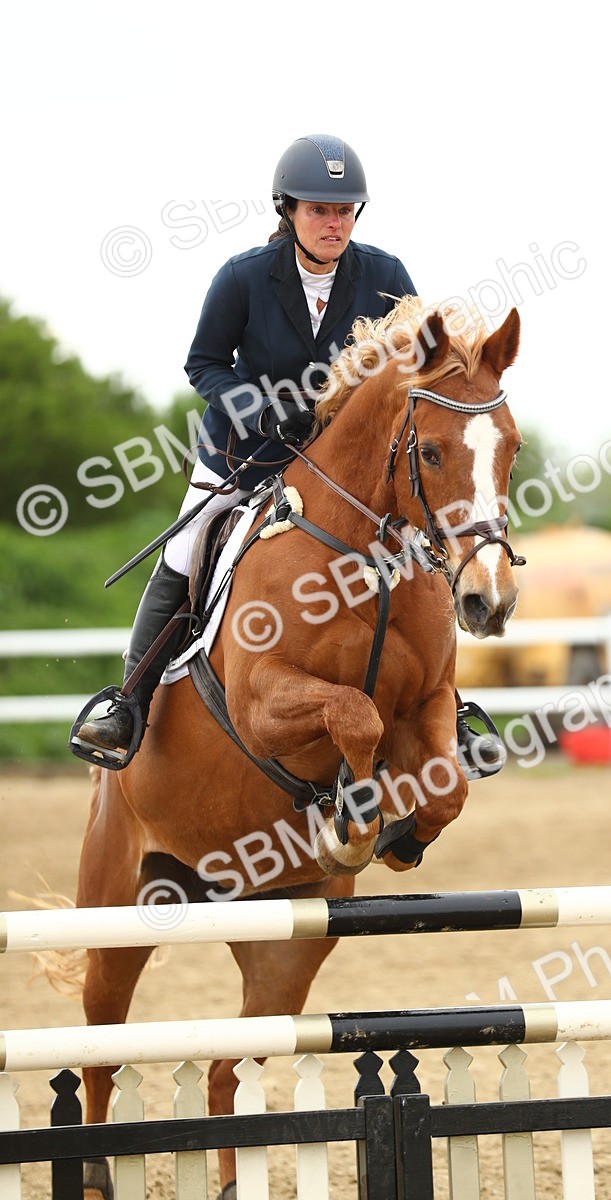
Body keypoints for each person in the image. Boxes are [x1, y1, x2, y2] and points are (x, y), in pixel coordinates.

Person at [72, 133, 502, 780]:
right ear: (288, 210)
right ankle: (128, 704)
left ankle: (448, 704)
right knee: (186, 549)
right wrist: (261, 410)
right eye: (318, 210)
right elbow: (204, 363)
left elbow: (420, 373)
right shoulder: (244, 277)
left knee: (419, 551)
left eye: (344, 211)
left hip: (348, 471)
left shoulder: (386, 277)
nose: (333, 223)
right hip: (245, 456)